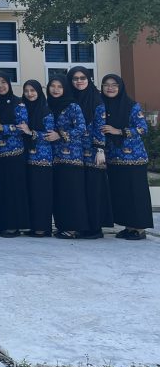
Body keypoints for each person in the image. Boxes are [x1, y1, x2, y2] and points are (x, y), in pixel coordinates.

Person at [94, 74, 153, 240]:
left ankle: (139, 229)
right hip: (114, 158)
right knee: (122, 194)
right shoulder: (101, 106)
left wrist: (119, 131)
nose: (110, 88)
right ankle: (129, 227)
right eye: (106, 85)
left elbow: (143, 129)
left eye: (114, 85)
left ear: (120, 87)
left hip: (134, 159)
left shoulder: (132, 106)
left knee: (136, 193)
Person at [68, 66, 112, 239]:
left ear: (89, 79)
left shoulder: (97, 100)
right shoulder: (70, 99)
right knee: (79, 190)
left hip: (93, 151)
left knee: (94, 190)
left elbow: (101, 127)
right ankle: (81, 226)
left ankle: (95, 228)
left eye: (83, 78)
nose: (79, 81)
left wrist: (100, 149)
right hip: (74, 152)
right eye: (75, 78)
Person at [47, 75, 89, 239]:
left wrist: (61, 135)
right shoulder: (47, 104)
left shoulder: (73, 106)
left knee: (72, 192)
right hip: (53, 157)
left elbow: (81, 128)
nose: (56, 90)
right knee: (60, 193)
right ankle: (63, 226)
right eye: (52, 86)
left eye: (59, 87)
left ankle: (74, 228)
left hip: (71, 156)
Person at [0, 73, 29, 237]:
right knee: (0, 190)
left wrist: (2, 128)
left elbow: (23, 127)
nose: (0, 86)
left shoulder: (18, 103)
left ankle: (13, 226)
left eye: (4, 82)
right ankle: (0, 223)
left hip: (14, 154)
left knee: (13, 190)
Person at [17, 80, 57, 237]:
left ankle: (42, 227)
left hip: (42, 159)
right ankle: (32, 226)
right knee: (30, 193)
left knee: (41, 194)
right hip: (26, 157)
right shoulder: (23, 109)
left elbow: (49, 135)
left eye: (33, 90)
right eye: (26, 90)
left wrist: (30, 132)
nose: (29, 94)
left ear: (39, 92)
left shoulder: (46, 111)